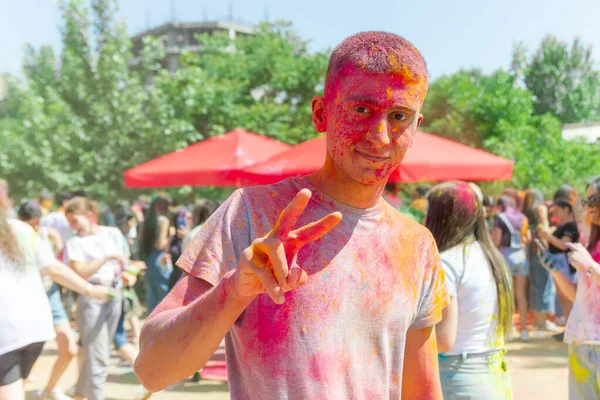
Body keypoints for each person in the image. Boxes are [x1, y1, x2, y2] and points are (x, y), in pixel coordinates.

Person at [135, 31, 449, 399]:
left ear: (416, 127)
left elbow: (422, 392)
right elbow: (152, 370)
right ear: (321, 114)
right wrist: (236, 290)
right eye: (361, 110)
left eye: (398, 116)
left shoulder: (415, 245)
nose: (380, 136)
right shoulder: (251, 213)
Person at [0, 195, 109, 400]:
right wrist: (88, 289)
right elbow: (53, 268)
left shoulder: (23, 230)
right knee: (14, 388)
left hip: (6, 329)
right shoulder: (22, 230)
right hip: (34, 327)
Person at [427, 182, 513, 399]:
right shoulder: (492, 257)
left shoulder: (448, 261)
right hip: (495, 373)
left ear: (442, 216)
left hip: (458, 376)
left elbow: (444, 338)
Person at [537, 177, 600, 399]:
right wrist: (554, 270)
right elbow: (577, 295)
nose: (586, 207)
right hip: (582, 339)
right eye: (586, 200)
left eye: (592, 199)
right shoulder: (591, 242)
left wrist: (590, 266)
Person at [64, 197, 128, 400]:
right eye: (70, 222)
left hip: (114, 294)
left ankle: (79, 394)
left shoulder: (112, 233)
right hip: (92, 297)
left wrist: (129, 271)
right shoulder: (74, 242)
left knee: (96, 354)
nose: (72, 226)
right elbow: (80, 272)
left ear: (90, 215)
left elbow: (125, 263)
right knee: (98, 357)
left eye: (74, 221)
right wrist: (105, 258)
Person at [18, 201, 77, 400]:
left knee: (69, 348)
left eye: (36, 223)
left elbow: (58, 259)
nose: (34, 228)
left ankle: (50, 389)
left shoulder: (46, 234)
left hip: (50, 295)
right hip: (26, 299)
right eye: (30, 224)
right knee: (23, 353)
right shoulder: (12, 237)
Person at [493, 196, 531, 341]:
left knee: (506, 294)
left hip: (506, 256)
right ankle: (524, 330)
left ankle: (508, 329)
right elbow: (527, 238)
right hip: (521, 256)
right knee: (521, 295)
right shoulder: (522, 217)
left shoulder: (500, 218)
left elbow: (497, 241)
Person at [523, 189, 558, 331]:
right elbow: (544, 230)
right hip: (542, 251)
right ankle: (542, 321)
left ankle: (539, 320)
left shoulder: (527, 212)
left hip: (531, 251)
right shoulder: (541, 208)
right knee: (544, 284)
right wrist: (555, 230)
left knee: (535, 284)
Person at [168, 200, 215, 290]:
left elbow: (185, 265)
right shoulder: (216, 231)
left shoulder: (191, 235)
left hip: (193, 283)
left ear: (195, 214)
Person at [138, 195, 172, 314]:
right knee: (163, 292)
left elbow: (140, 240)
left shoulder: (144, 221)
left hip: (148, 259)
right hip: (159, 259)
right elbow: (160, 244)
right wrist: (171, 236)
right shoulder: (163, 221)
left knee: (151, 295)